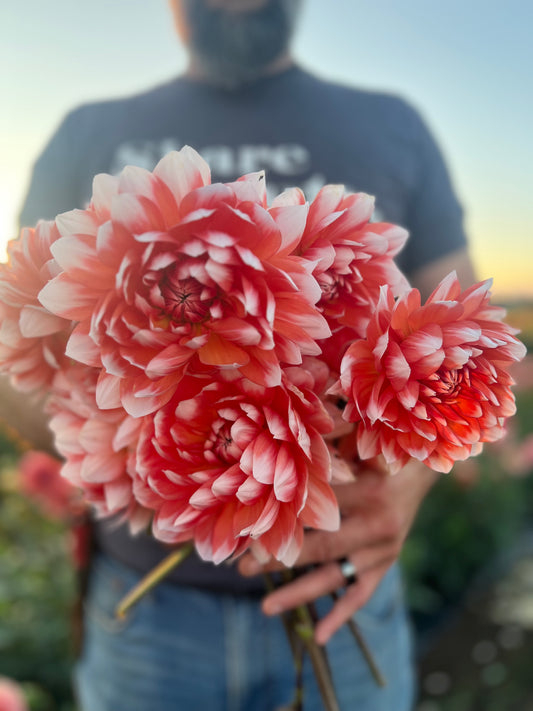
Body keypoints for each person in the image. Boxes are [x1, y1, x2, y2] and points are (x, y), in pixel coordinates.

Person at [6, 1, 477, 709]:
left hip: (343, 599)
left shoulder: (393, 123)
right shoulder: (87, 130)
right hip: (148, 618)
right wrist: (130, 441)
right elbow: (15, 332)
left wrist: (407, 479)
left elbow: (467, 345)